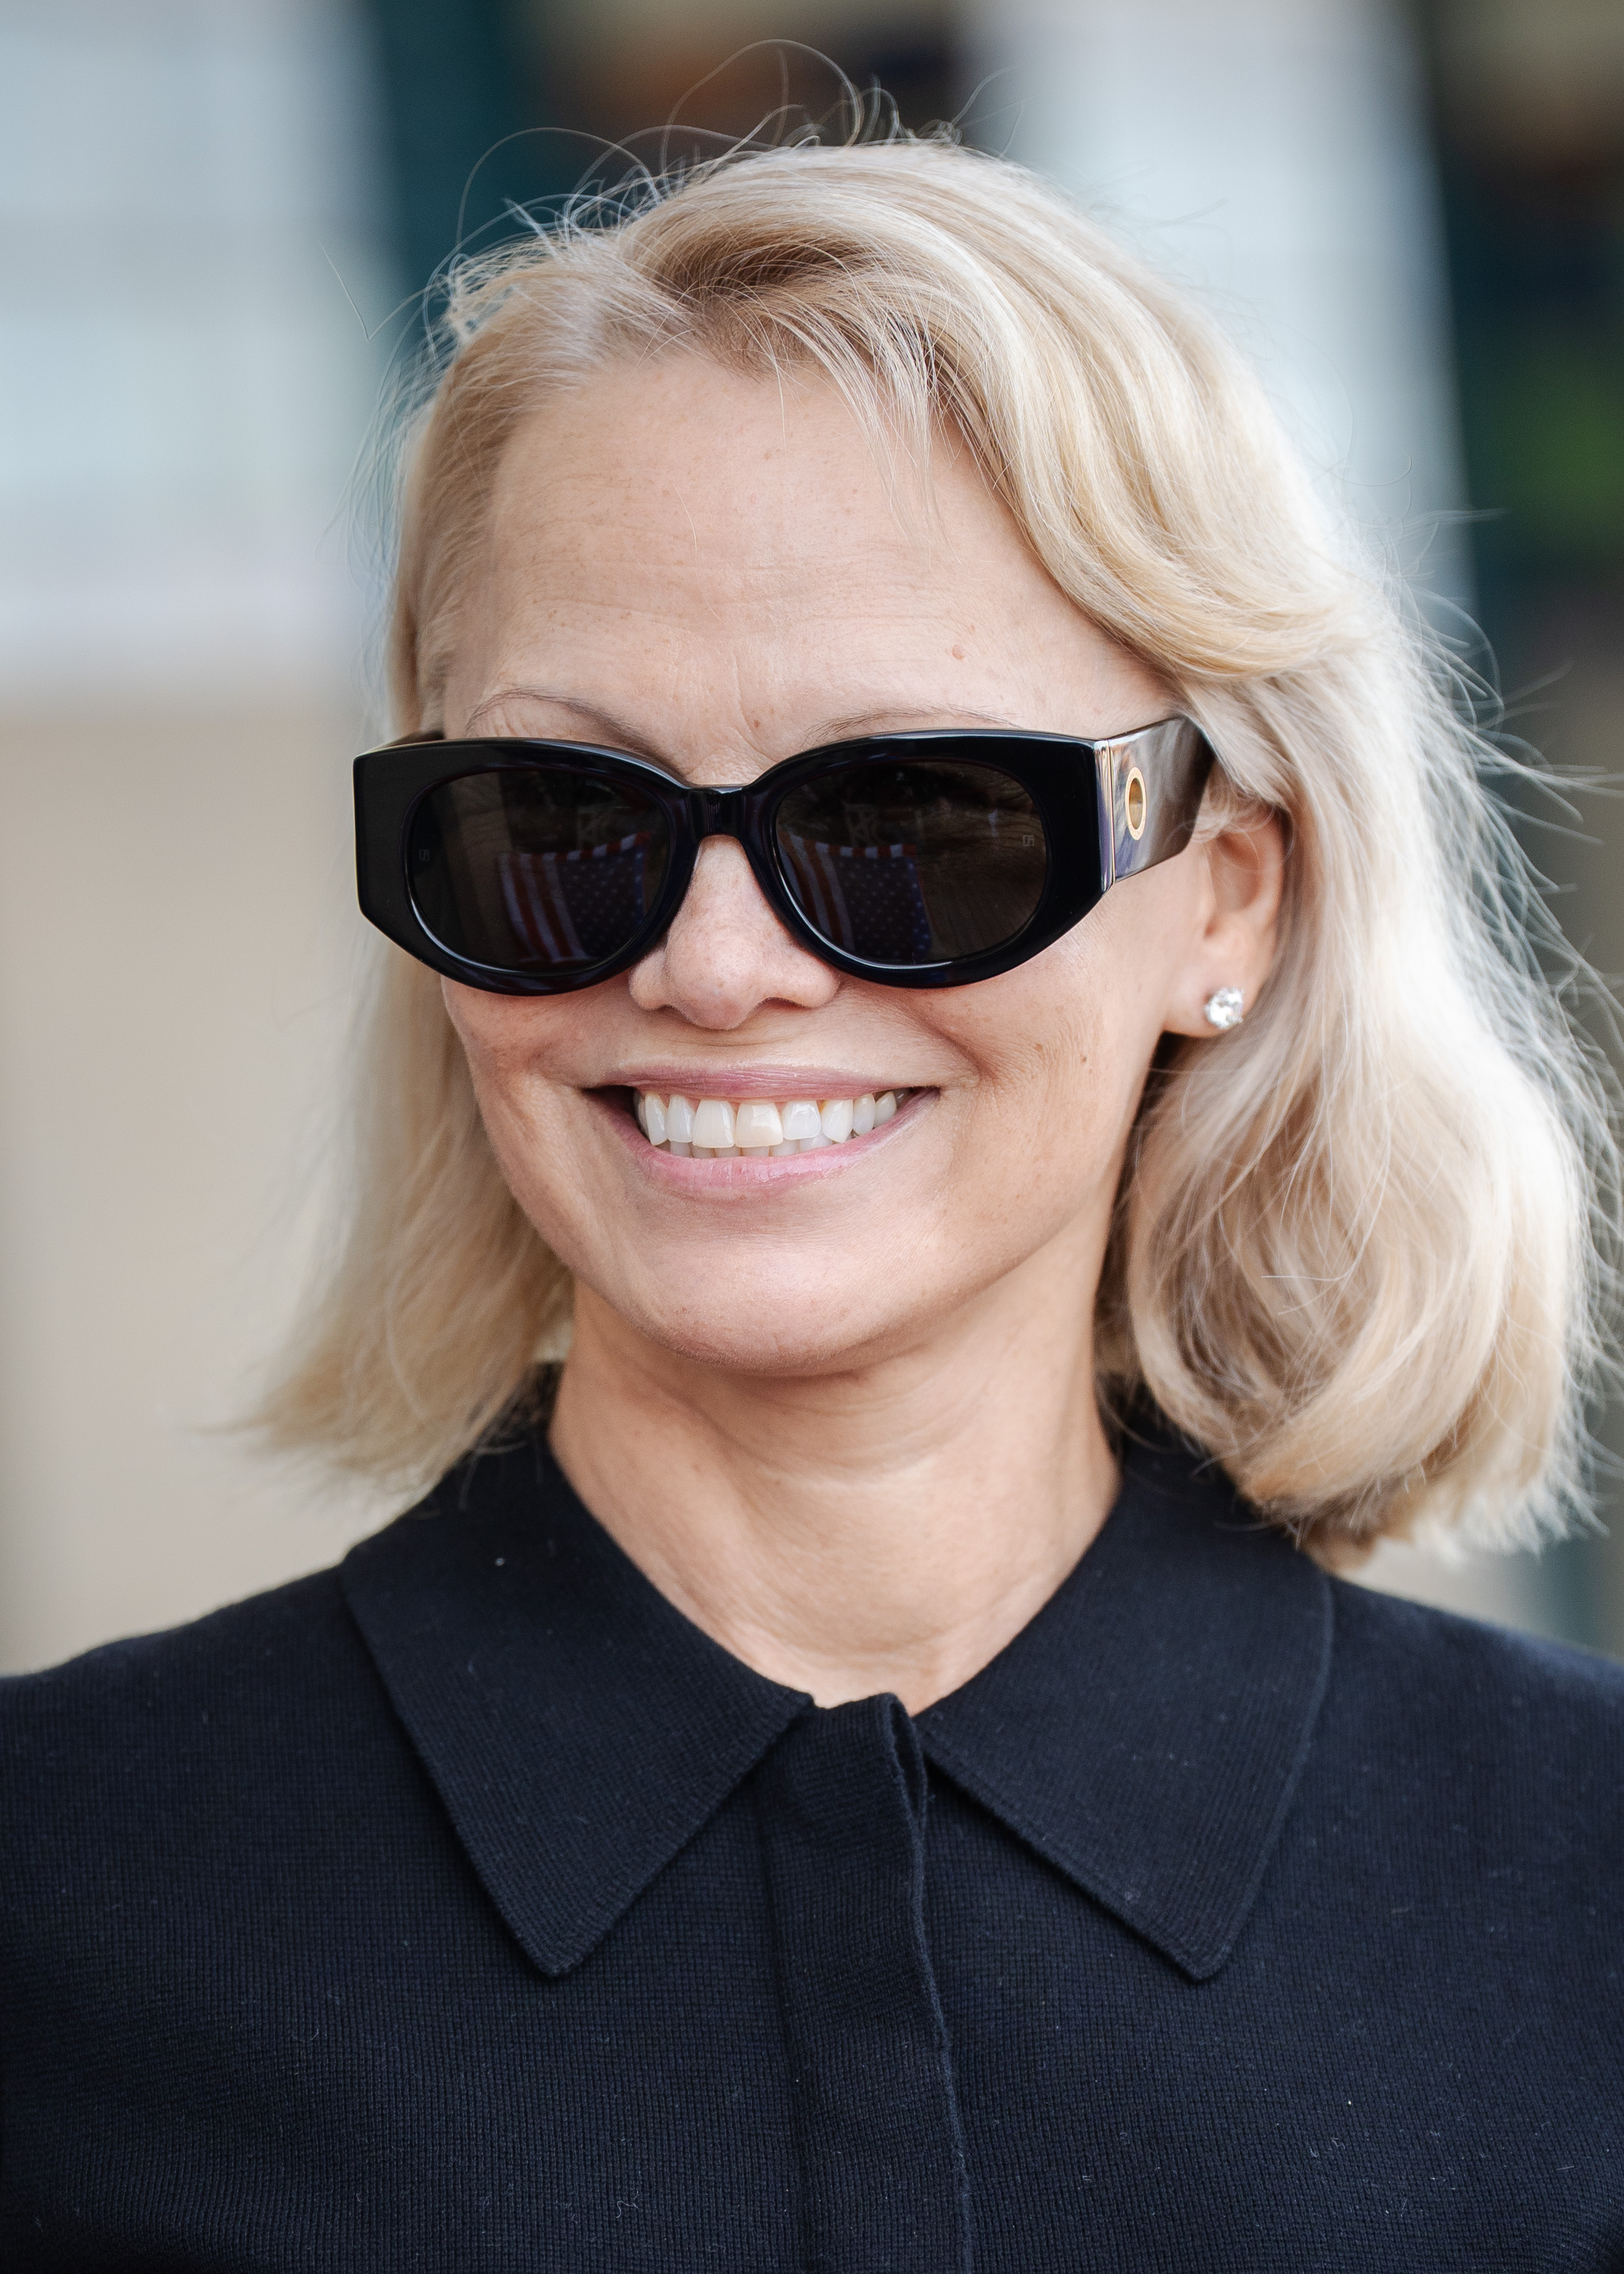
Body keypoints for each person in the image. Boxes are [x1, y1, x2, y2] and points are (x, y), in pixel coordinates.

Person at [2, 130, 1621, 2270]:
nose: (715, 964)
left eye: (919, 816)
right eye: (563, 817)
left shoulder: (1586, 1896)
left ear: (1225, 897)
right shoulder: (59, 1910)